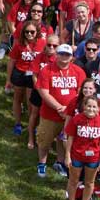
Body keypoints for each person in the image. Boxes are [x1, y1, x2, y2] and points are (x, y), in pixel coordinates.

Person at [34, 44, 85, 178]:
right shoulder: (46, 70)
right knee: (44, 139)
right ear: (56, 55)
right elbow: (44, 93)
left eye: (67, 54)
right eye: (61, 53)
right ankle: (42, 163)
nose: (64, 56)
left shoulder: (79, 71)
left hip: (71, 115)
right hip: (50, 114)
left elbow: (81, 93)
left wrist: (68, 110)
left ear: (71, 57)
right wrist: (59, 107)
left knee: (64, 140)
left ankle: (60, 162)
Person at [62, 96, 100, 200]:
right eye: (89, 106)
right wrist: (67, 156)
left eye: (94, 107)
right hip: (77, 156)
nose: (91, 109)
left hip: (93, 158)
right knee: (73, 181)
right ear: (84, 106)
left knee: (89, 183)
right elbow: (70, 138)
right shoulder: (77, 119)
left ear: (98, 109)